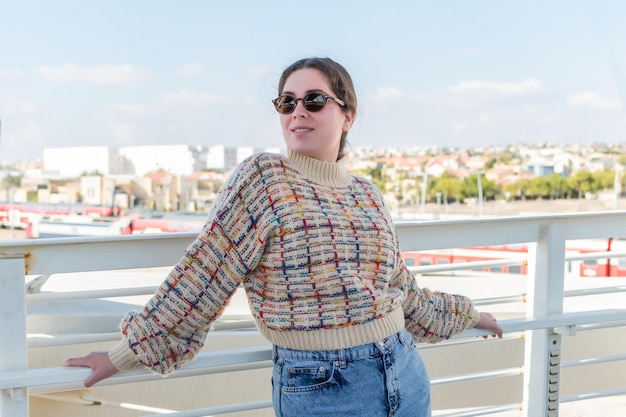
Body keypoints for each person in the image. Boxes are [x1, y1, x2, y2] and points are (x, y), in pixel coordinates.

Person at [64, 57, 503, 417]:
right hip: (322, 388)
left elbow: (398, 290)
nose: (298, 111)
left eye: (314, 100)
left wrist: (467, 315)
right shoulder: (264, 178)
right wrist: (123, 355)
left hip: (404, 372)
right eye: (286, 102)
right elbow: (204, 274)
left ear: (347, 115)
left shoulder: (367, 193)